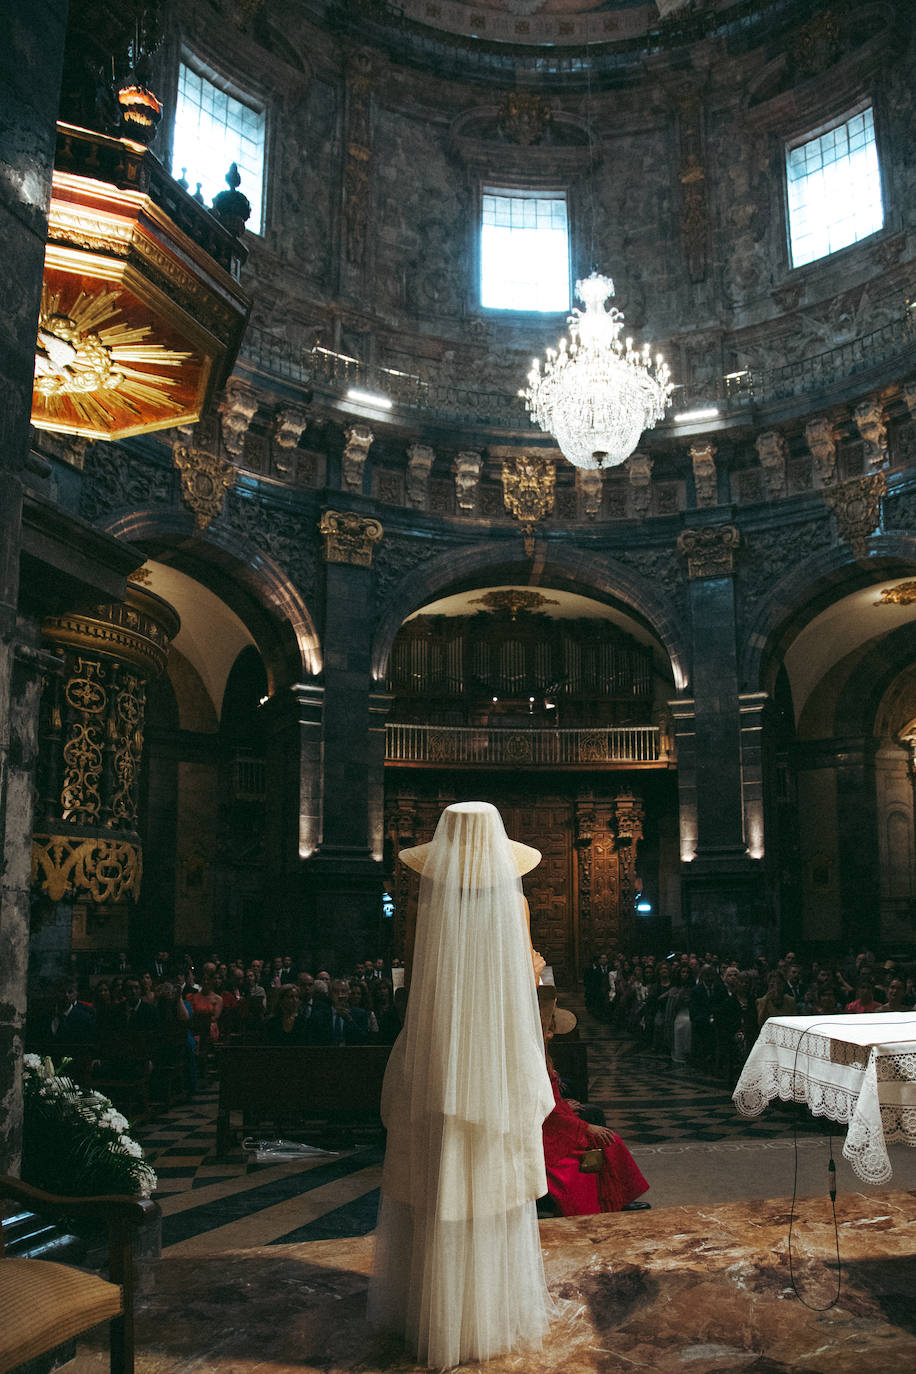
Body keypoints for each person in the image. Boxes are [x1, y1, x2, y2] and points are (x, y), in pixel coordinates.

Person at [368, 801, 554, 1370]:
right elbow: (525, 982)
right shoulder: (513, 903)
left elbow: (417, 985)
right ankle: (492, 1309)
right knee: (487, 1172)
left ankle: (429, 1306)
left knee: (438, 1169)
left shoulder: (430, 903)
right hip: (493, 1053)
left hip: (441, 1052)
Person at [538, 988, 649, 1215]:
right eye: (549, 1026)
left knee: (608, 1139)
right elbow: (541, 1104)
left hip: (557, 1119)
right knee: (601, 1142)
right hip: (548, 1129)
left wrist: (565, 1105)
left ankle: (617, 1198)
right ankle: (610, 1201)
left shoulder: (543, 1049)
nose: (551, 1033)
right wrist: (584, 1127)